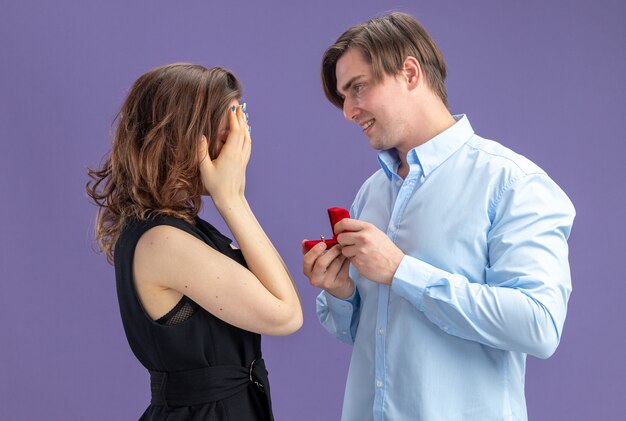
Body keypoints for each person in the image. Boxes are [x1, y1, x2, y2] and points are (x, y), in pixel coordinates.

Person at [302, 12, 575, 421]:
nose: (348, 111)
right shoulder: (372, 193)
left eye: (357, 88)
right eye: (343, 96)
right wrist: (342, 295)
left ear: (410, 73)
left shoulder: (513, 184)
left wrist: (401, 271)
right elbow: (365, 335)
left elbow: (538, 324)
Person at [87, 63, 303, 420]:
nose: (238, 143)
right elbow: (287, 315)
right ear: (186, 137)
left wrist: (234, 197)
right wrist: (232, 199)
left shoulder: (173, 228)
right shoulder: (164, 241)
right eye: (227, 131)